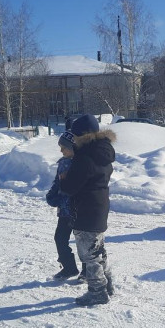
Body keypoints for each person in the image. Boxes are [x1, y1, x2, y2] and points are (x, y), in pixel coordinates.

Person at [60, 114, 115, 306]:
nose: (73, 139)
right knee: (98, 249)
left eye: (74, 135)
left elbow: (70, 187)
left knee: (89, 254)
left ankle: (97, 291)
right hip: (100, 206)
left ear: (81, 135)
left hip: (86, 209)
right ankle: (108, 284)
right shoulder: (103, 152)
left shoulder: (84, 157)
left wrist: (64, 180)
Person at [46, 130, 85, 281]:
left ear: (73, 147)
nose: (61, 150)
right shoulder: (63, 163)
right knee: (60, 238)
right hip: (64, 212)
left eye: (64, 147)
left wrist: (64, 200)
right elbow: (58, 182)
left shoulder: (80, 165)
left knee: (82, 242)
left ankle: (88, 271)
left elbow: (77, 189)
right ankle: (69, 268)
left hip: (78, 211)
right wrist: (52, 195)